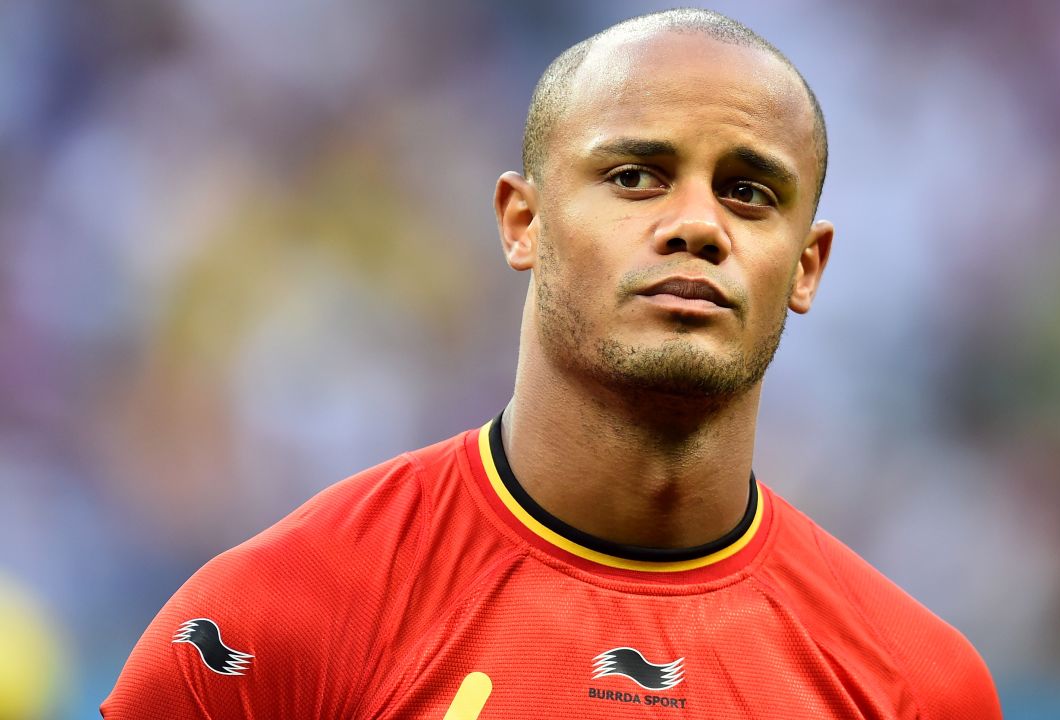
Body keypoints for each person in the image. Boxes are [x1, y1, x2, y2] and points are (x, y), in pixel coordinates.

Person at [102, 9, 1001, 719]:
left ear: (807, 266)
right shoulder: (270, 625)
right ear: (521, 222)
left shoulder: (919, 687)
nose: (698, 225)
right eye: (635, 176)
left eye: (749, 193)